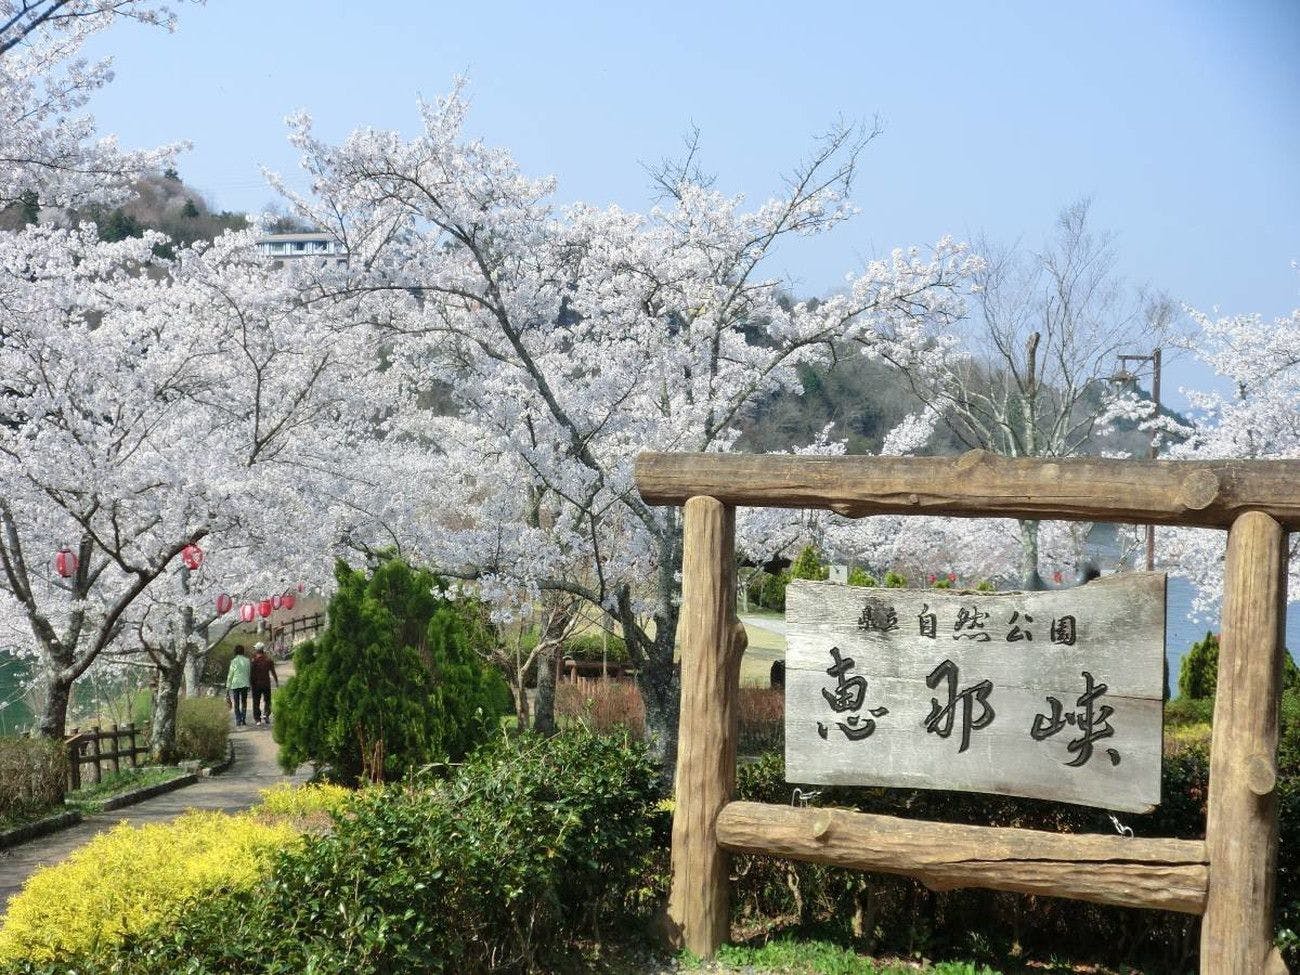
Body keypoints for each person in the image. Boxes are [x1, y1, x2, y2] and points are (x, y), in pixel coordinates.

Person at [249, 642, 279, 726]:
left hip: (256, 684)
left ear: (257, 650)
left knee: (256, 702)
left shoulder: (253, 660)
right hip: (266, 683)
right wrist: (276, 682)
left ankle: (258, 719)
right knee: (267, 700)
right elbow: (273, 672)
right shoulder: (268, 660)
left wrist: (250, 684)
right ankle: (266, 714)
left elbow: (251, 673)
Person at [225, 644, 251, 727]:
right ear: (243, 651)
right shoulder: (247, 660)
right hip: (245, 684)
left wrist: (227, 687)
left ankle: (238, 719)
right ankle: (243, 718)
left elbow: (230, 675)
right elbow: (248, 673)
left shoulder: (233, 661)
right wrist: (249, 684)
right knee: (244, 702)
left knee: (236, 703)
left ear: (235, 651)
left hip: (235, 684)